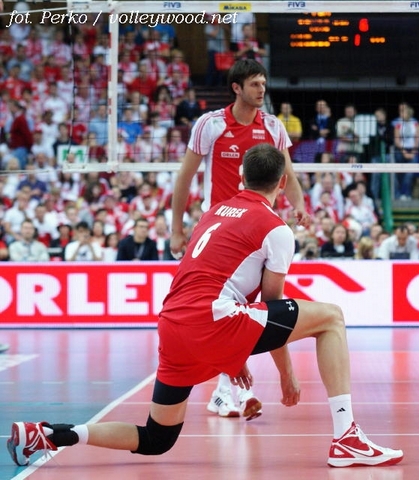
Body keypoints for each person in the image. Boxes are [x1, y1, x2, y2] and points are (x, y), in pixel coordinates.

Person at [7, 144, 403, 469]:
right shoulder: (276, 229)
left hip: (173, 323)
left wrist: (234, 351)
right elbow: (273, 304)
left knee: (157, 438)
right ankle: (346, 437)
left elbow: (230, 291)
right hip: (213, 320)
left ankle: (49, 434)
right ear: (283, 182)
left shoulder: (214, 212)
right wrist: (286, 374)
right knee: (331, 318)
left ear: (241, 177)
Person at [170, 59, 310, 420]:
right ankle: (226, 389)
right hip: (221, 226)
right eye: (254, 84)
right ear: (236, 88)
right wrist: (176, 228)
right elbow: (184, 177)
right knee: (231, 307)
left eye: (263, 83)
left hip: (257, 227)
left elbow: (289, 173)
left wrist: (299, 206)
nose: (262, 90)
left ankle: (226, 390)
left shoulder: (273, 126)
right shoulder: (211, 124)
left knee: (245, 308)